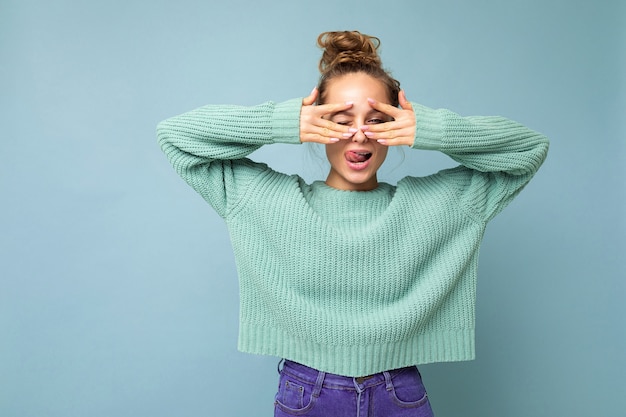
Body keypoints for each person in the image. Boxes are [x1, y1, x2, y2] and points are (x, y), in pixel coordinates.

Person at [157, 30, 549, 417]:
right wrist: (281, 122)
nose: (360, 134)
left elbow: (528, 149)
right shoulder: (265, 200)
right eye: (340, 120)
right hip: (307, 393)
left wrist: (430, 129)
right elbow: (175, 137)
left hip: (401, 393)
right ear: (315, 126)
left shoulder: (439, 205)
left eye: (377, 120)